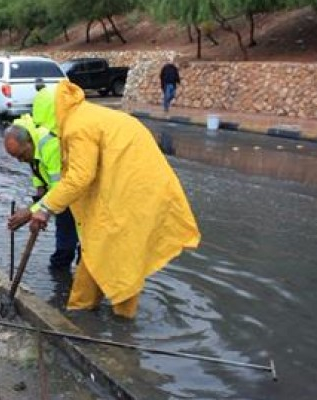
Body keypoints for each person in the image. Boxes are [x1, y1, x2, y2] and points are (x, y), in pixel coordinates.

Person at [28, 80, 200, 319]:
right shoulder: (85, 115)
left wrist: (45, 208)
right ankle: (92, 314)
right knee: (105, 250)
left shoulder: (78, 126)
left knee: (117, 253)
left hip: (132, 193)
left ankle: (103, 320)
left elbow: (79, 177)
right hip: (135, 188)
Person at [4, 113, 79, 270]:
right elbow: (38, 172)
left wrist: (32, 212)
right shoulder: (32, 147)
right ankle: (61, 280)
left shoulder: (50, 145)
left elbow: (60, 188)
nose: (20, 160)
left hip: (79, 195)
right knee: (64, 248)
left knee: (88, 248)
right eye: (16, 158)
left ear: (29, 142)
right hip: (63, 198)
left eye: (22, 155)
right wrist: (37, 203)